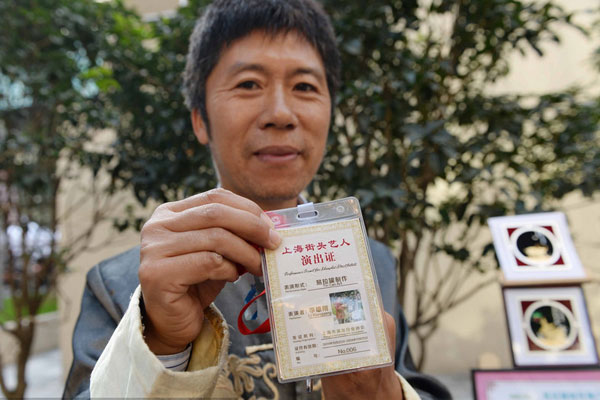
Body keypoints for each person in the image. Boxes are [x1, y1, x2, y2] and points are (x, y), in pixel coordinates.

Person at [63, 0, 452, 399]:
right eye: (249, 84)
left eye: (304, 86)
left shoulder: (374, 261)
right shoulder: (127, 288)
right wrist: (162, 345)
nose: (281, 114)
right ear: (200, 119)